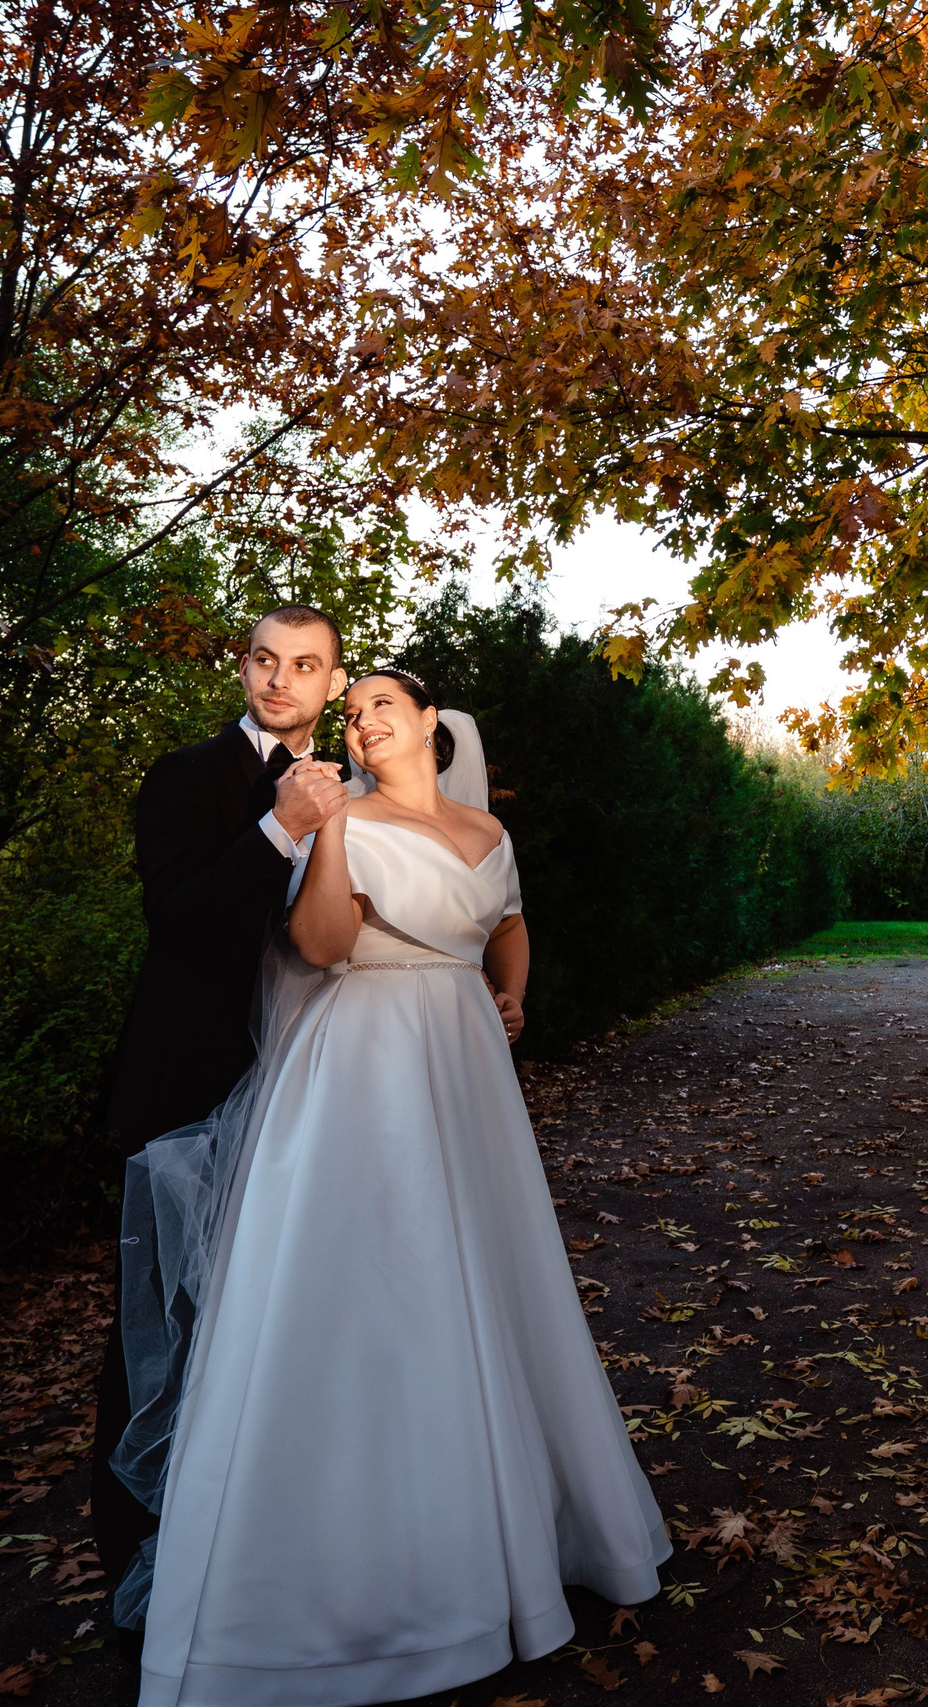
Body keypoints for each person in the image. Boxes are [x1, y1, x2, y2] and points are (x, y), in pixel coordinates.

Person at [114, 666, 671, 1707]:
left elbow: (505, 925)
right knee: (374, 1287)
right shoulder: (349, 825)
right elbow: (321, 945)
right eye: (354, 711)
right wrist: (324, 832)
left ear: (430, 724)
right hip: (361, 1063)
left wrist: (509, 998)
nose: (364, 723)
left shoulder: (487, 836)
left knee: (483, 1283)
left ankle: (503, 1539)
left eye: (383, 706)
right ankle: (345, 1587)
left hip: (463, 1067)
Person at [93, 606, 351, 1605]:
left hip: (315, 1095)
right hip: (191, 1089)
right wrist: (282, 825)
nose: (281, 678)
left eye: (306, 664)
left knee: (286, 1325)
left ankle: (271, 1547)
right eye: (265, 659)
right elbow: (180, 919)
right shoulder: (183, 777)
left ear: (333, 682)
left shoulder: (357, 791)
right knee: (161, 1327)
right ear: (241, 668)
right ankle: (144, 1576)